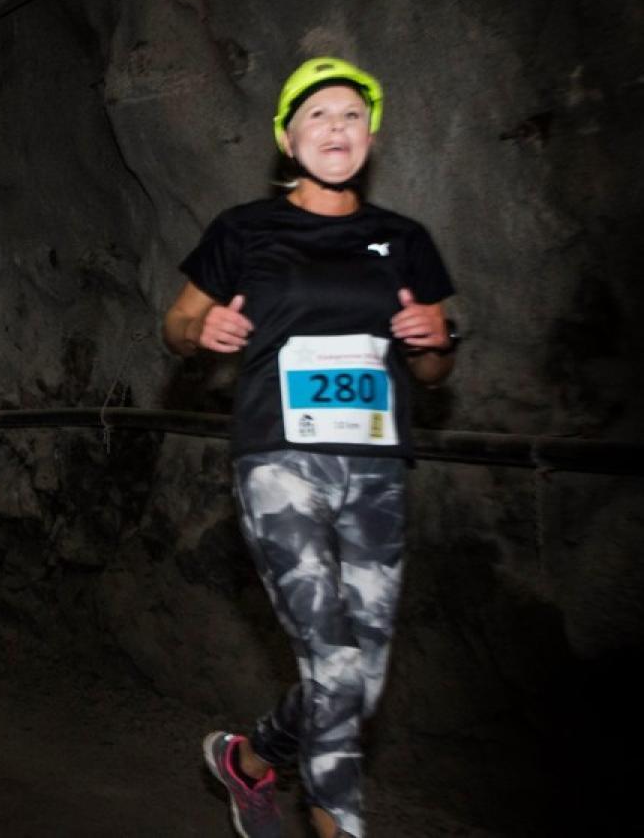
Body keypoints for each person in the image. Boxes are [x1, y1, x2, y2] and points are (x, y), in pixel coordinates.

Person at [163, 58, 459, 838]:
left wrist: (436, 339)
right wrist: (205, 330)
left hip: (378, 464)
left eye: (352, 115)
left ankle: (252, 759)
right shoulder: (244, 229)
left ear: (372, 134)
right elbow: (177, 325)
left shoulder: (404, 239)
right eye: (319, 115)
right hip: (278, 457)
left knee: (359, 671)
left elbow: (434, 365)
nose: (337, 127)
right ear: (288, 140)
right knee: (333, 664)